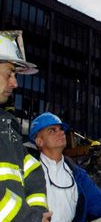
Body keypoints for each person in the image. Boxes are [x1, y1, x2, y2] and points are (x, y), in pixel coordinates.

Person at [29, 112, 101, 222]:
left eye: (60, 129)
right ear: (39, 141)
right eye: (52, 130)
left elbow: (96, 198)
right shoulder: (28, 171)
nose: (60, 133)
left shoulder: (75, 173)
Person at [0, 31, 50, 222]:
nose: (15, 83)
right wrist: (29, 218)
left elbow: (30, 168)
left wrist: (38, 210)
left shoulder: (6, 123)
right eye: (9, 73)